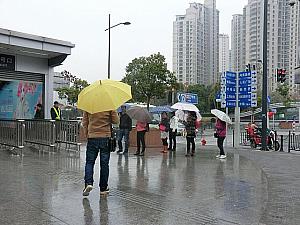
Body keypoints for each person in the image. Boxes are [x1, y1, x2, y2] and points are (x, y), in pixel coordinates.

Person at [82, 110, 119, 196]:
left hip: (92, 137)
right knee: (104, 164)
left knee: (90, 162)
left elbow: (84, 122)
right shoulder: (109, 104)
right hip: (105, 137)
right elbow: (116, 121)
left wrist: (87, 134)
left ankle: (88, 183)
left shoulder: (89, 104)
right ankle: (103, 188)